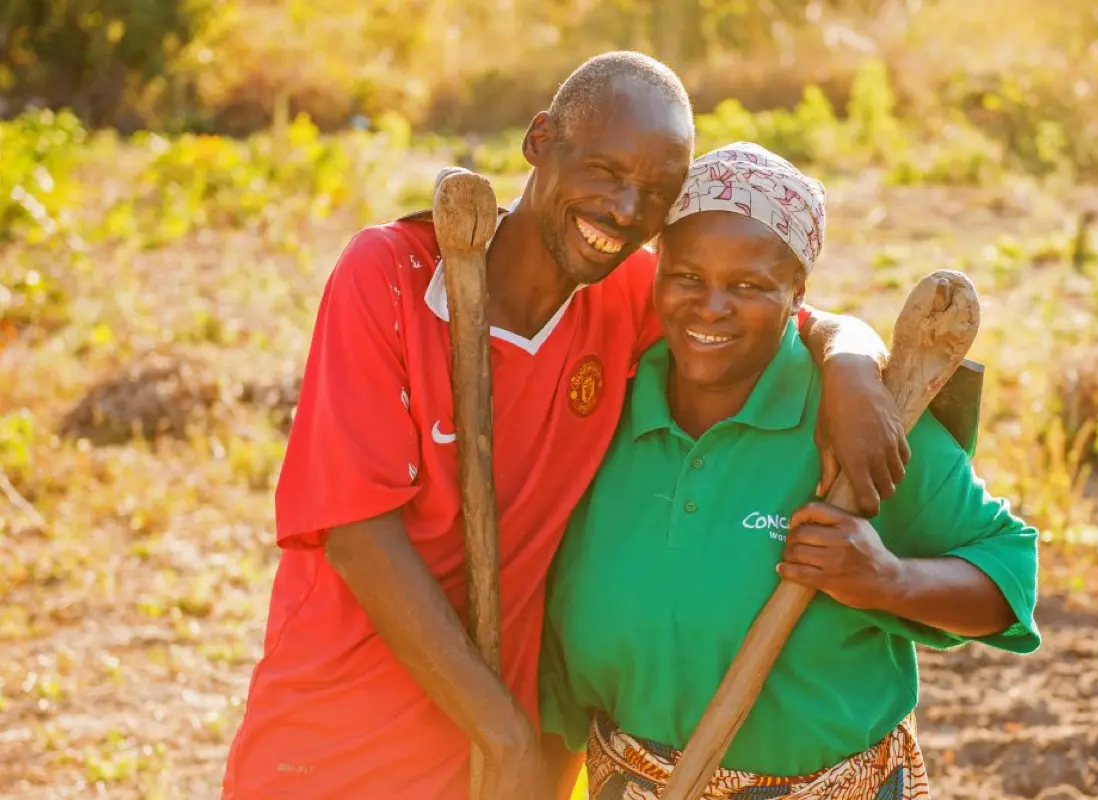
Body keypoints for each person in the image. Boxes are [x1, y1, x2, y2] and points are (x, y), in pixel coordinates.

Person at [221, 53, 913, 800]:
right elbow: (360, 533)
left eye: (655, 192)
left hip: (519, 718)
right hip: (344, 718)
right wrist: (503, 734)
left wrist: (846, 359)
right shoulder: (391, 274)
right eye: (605, 171)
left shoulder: (629, 300)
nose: (624, 209)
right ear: (539, 139)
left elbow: (781, 317)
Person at [538, 142, 1043, 799]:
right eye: (687, 276)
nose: (710, 307)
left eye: (748, 286)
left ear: (797, 293)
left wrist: (886, 579)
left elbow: (1009, 575)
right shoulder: (608, 399)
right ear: (656, 269)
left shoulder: (854, 427)